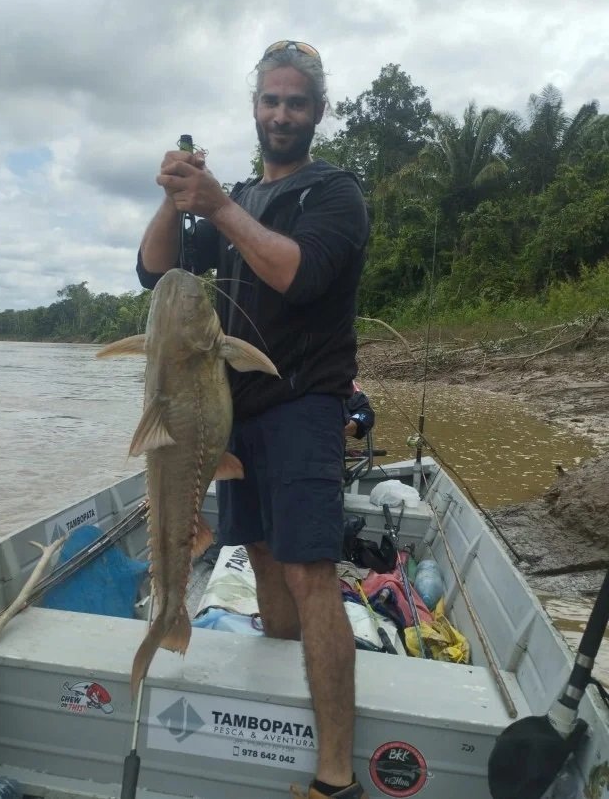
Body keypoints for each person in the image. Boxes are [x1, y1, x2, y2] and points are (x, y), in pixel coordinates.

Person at [136, 40, 370, 799]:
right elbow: (155, 269)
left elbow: (295, 274)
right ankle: (275, 722)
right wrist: (175, 195)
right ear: (256, 108)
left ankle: (335, 773)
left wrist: (222, 206)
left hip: (305, 404)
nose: (280, 114)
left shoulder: (334, 194)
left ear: (317, 113)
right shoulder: (234, 197)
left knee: (310, 573)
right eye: (270, 100)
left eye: (295, 102)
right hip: (236, 413)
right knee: (266, 568)